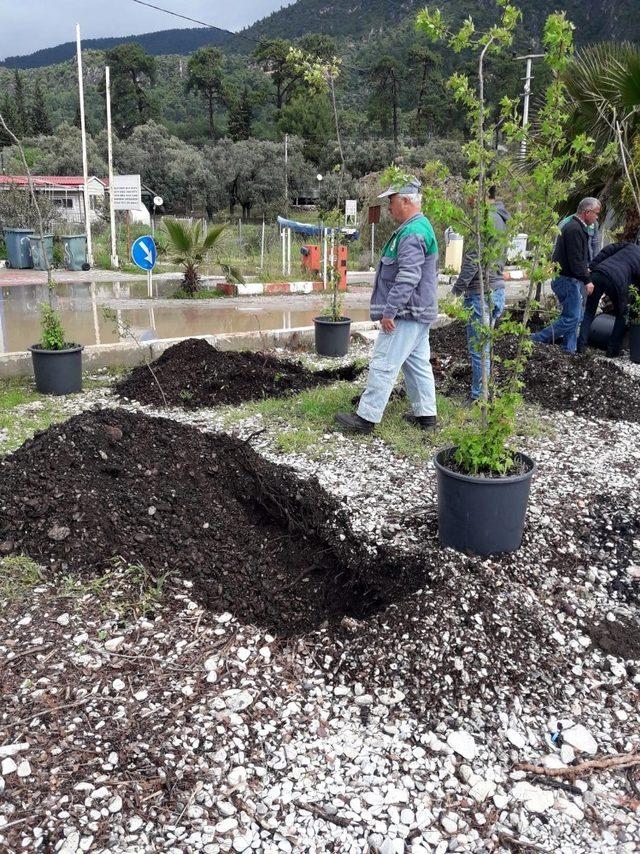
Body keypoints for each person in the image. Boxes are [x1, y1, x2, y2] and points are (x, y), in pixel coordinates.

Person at [335, 176, 439, 433]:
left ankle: (366, 419)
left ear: (405, 200)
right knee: (417, 365)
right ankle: (427, 418)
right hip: (418, 312)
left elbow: (408, 277)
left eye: (391, 201)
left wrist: (389, 311)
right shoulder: (417, 227)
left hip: (405, 312)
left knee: (383, 362)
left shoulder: (413, 233)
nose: (388, 208)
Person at [451, 188, 510, 402]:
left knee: (478, 348)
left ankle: (479, 397)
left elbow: (473, 258)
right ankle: (486, 392)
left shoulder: (484, 218)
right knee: (486, 346)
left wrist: (457, 290)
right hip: (497, 288)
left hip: (480, 291)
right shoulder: (501, 217)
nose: (467, 198)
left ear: (480, 193)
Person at [531, 197, 601, 353]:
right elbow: (576, 260)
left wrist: (585, 271)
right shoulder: (574, 229)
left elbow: (577, 259)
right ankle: (537, 338)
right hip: (567, 280)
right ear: (587, 212)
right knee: (573, 318)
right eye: (596, 213)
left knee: (574, 315)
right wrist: (587, 280)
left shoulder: (576, 227)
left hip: (568, 279)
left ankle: (569, 349)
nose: (597, 217)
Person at [578, 241, 640, 357]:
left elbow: (608, 249)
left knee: (589, 312)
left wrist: (592, 267)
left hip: (598, 274)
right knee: (622, 315)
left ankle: (581, 347)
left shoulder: (630, 246)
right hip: (617, 282)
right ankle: (612, 351)